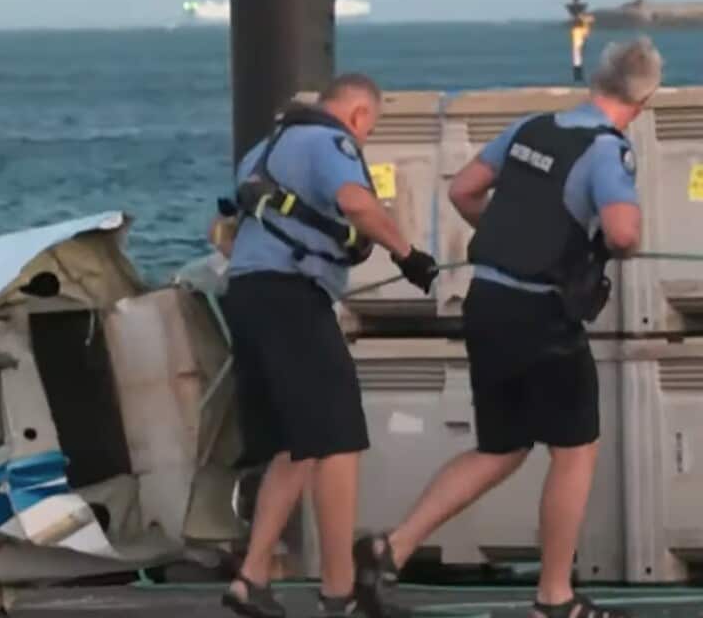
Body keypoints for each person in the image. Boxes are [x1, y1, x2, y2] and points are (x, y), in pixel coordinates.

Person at [353, 37, 658, 618]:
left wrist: (511, 237)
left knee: (502, 446)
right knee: (575, 450)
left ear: (597, 82)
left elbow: (463, 188)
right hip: (542, 315)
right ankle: (554, 598)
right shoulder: (607, 150)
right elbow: (621, 234)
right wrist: (618, 241)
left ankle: (388, 549)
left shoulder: (530, 128)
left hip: (487, 302)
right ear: (641, 101)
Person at [218, 72, 438, 618]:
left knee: (298, 445)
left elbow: (218, 231)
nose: (364, 139)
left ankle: (251, 577)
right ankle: (339, 593)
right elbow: (357, 204)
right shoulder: (329, 142)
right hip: (292, 298)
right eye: (370, 129)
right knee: (339, 438)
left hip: (246, 295)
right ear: (360, 115)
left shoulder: (261, 151)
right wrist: (410, 256)